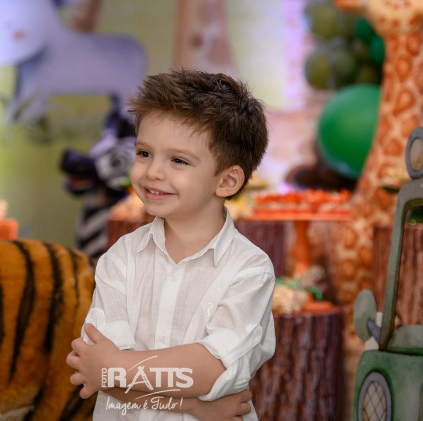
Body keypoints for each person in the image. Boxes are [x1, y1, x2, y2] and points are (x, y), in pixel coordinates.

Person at [66, 68, 275, 420]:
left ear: (226, 181)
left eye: (178, 160)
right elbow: (99, 372)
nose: (152, 172)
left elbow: (211, 368)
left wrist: (116, 365)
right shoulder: (122, 257)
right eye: (144, 153)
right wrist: (192, 405)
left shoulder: (249, 269)